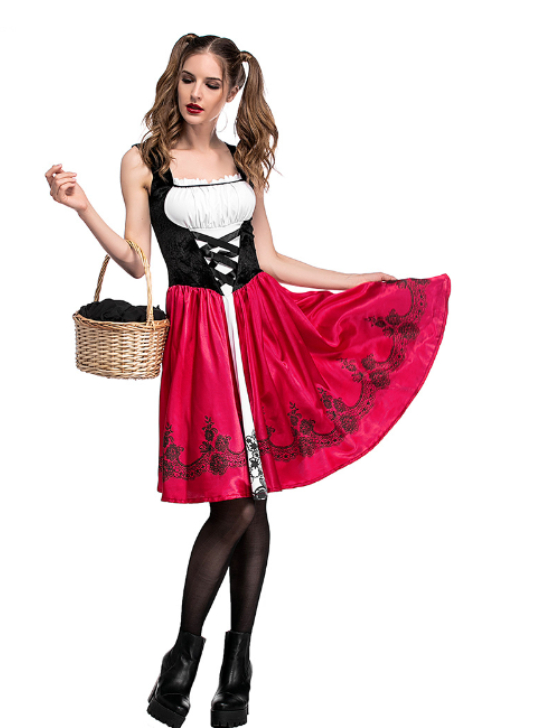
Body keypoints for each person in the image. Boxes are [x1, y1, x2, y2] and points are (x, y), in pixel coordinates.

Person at [45, 32, 450, 728]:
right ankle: (187, 654)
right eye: (187, 79)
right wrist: (82, 207)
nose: (196, 94)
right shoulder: (144, 159)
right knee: (232, 503)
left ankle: (236, 665)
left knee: (253, 498)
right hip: (201, 337)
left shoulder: (241, 159)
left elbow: (269, 258)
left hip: (263, 328)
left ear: (231, 91)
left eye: (211, 83)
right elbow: (138, 261)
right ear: (174, 81)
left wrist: (357, 279)